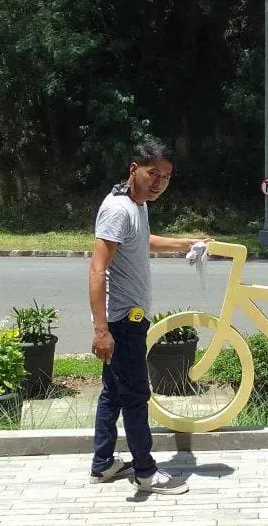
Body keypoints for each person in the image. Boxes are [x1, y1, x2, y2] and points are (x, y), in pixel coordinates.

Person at [88, 137, 206, 494]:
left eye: (166, 177)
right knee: (137, 396)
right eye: (153, 173)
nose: (159, 183)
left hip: (126, 321)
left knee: (113, 392)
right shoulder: (119, 210)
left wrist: (184, 244)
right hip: (123, 323)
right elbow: (96, 270)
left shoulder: (136, 206)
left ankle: (104, 464)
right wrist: (101, 329)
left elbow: (143, 241)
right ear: (134, 169)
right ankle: (145, 472)